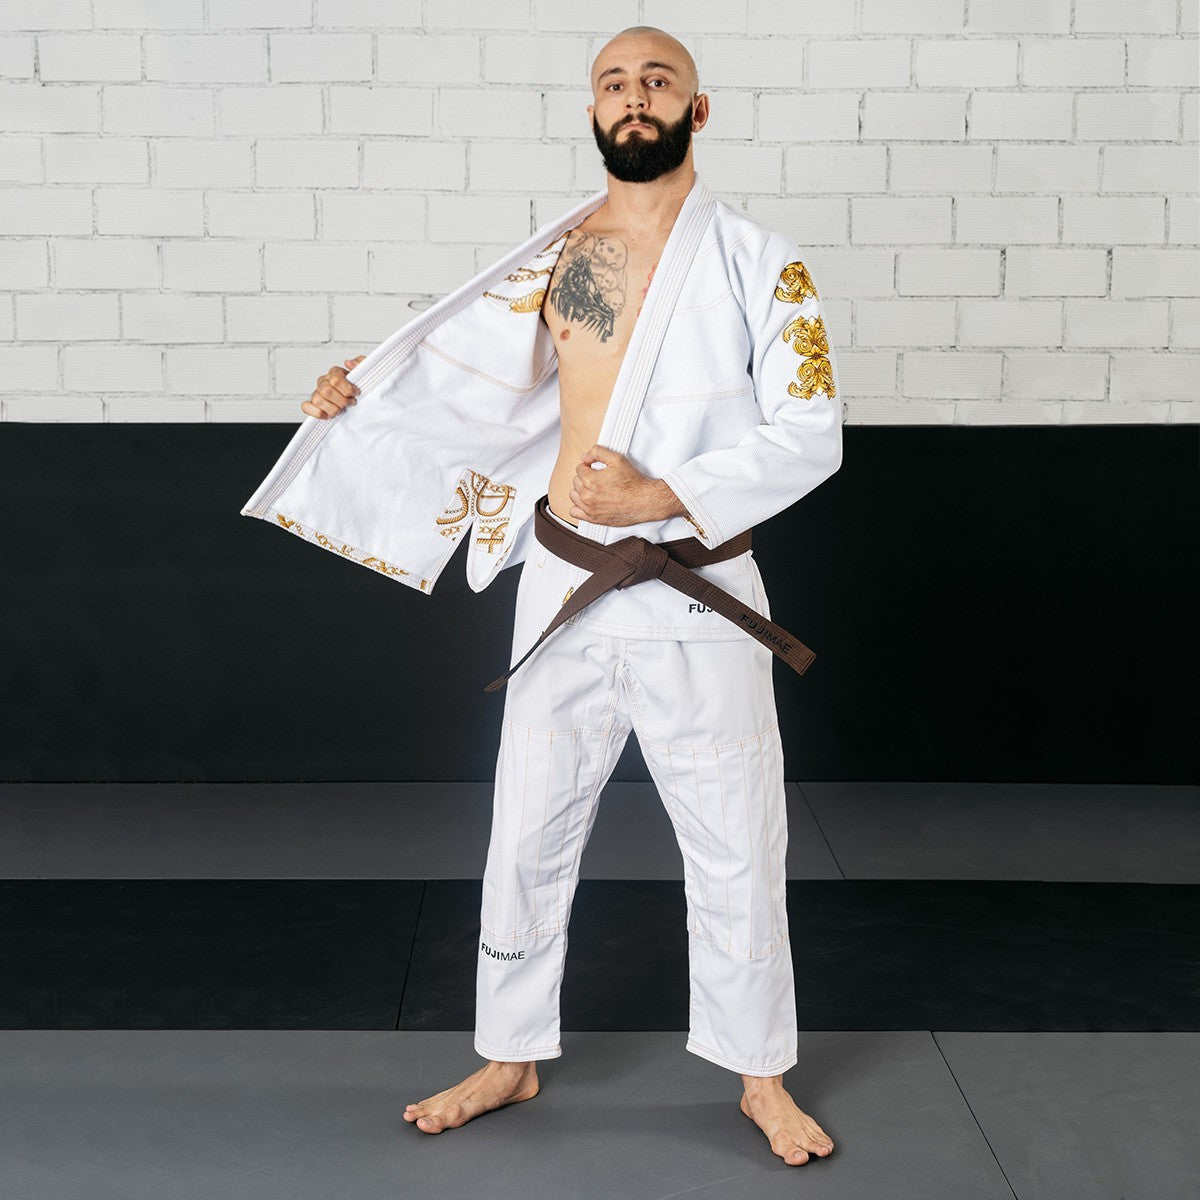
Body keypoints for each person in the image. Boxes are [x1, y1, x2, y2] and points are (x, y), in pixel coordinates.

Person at [287, 26, 838, 1168]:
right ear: (593, 112)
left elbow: (810, 431)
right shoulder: (559, 260)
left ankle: (761, 1074)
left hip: (698, 585)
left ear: (697, 109)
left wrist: (663, 495)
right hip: (565, 580)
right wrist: (361, 395)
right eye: (614, 84)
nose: (635, 98)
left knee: (736, 834)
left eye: (657, 82)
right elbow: (475, 394)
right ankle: (509, 1052)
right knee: (529, 823)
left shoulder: (762, 262)